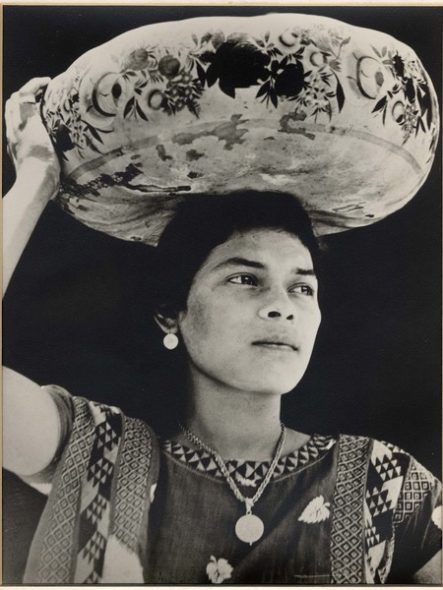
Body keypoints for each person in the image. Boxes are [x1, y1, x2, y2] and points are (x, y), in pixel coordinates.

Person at [3, 78, 442, 585]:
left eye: (302, 288)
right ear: (172, 314)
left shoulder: (384, 485)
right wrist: (36, 175)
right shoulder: (97, 451)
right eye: (245, 279)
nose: (282, 308)